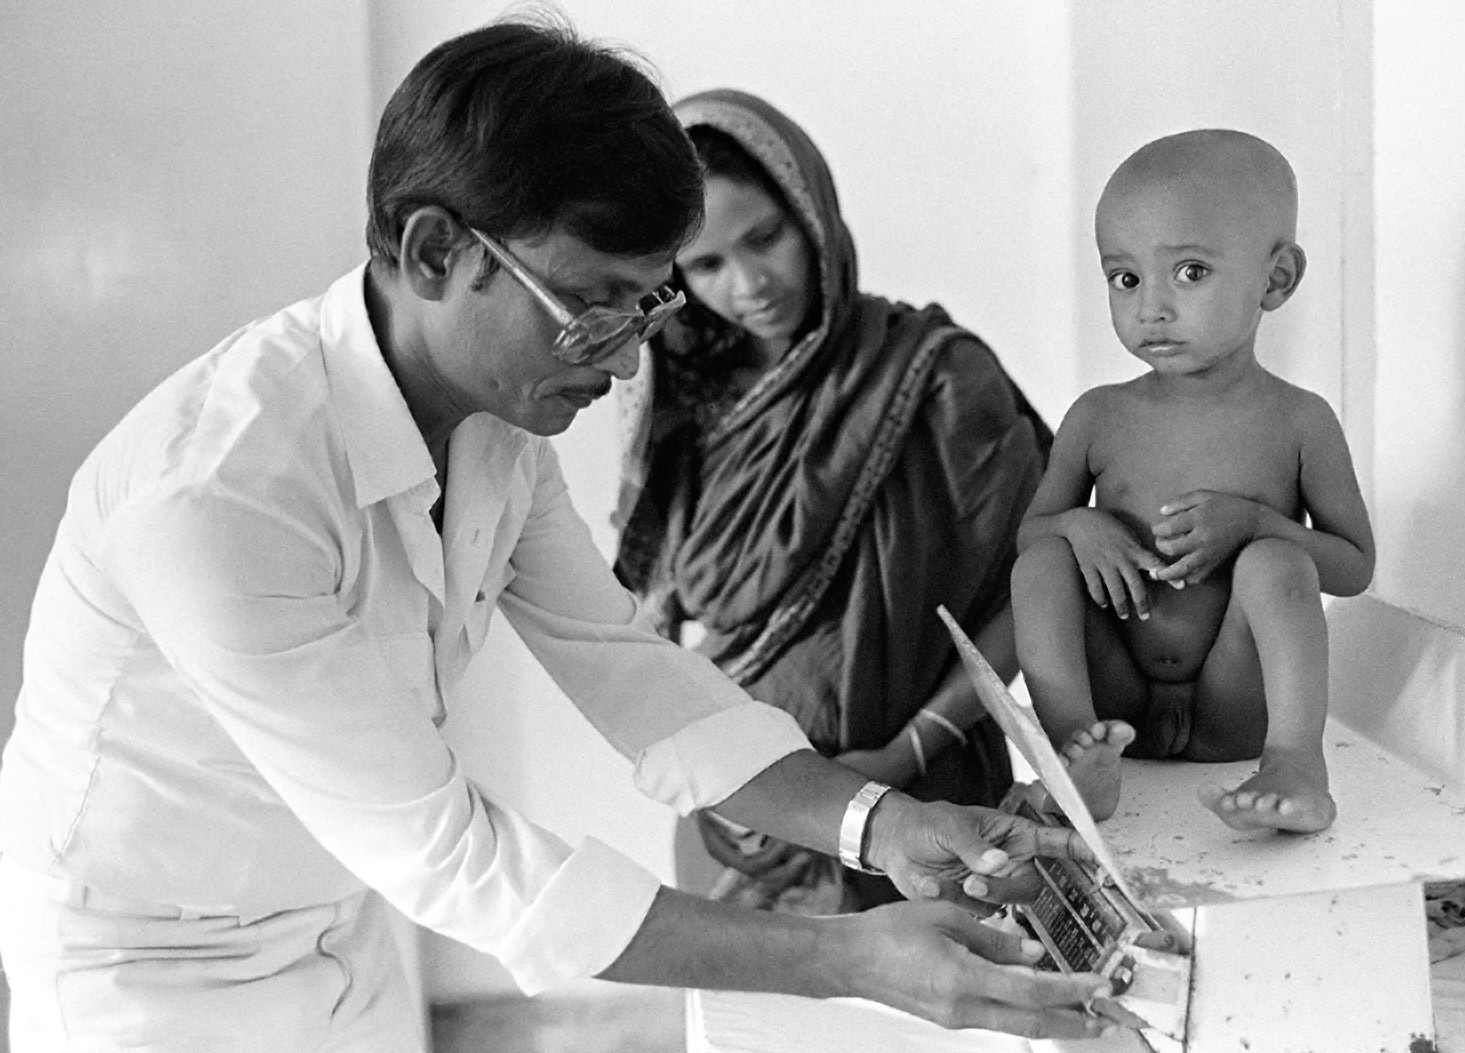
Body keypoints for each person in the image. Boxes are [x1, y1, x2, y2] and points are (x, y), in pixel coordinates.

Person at [0, 19, 1117, 1052]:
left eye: (647, 307)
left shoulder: (492, 424)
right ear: (436, 253)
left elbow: (629, 668)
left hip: (337, 924)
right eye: (593, 306)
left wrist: (882, 825)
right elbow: (451, 852)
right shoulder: (220, 499)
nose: (627, 361)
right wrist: (848, 961)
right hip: (154, 980)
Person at [612, 89, 1052, 915]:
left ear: (811, 212)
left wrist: (902, 754)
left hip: (931, 801)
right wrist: (729, 784)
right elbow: (654, 627)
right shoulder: (684, 409)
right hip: (745, 816)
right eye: (706, 266)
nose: (749, 284)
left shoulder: (938, 379)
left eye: (765, 238)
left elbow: (1037, 589)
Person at [1011, 129, 1376, 834]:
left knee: (1276, 562)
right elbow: (1031, 535)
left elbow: (1354, 566)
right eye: (1125, 279)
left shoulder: (1300, 421)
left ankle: (1295, 763)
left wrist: (1257, 525)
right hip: (1117, 705)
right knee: (1042, 563)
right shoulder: (1097, 416)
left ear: (1276, 279)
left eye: (1190, 272)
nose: (1151, 307)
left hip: (1232, 704)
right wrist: (1078, 527)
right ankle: (1074, 758)